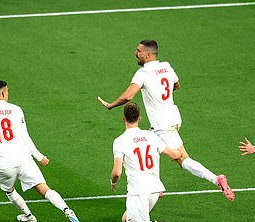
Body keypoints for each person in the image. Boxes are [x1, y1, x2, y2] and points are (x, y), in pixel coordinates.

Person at [98, 39, 234, 202]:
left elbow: (128, 96)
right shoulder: (167, 67)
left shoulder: (144, 73)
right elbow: (176, 85)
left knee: (181, 159)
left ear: (147, 55)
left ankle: (216, 179)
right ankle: (157, 185)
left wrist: (111, 105)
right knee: (149, 141)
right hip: (173, 118)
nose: (136, 53)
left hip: (162, 123)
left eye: (138, 51)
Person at [0, 80, 82, 222]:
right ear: (4, 93)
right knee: (44, 188)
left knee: (9, 191)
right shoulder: (16, 110)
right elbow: (25, 137)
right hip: (23, 158)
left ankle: (29, 216)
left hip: (2, 162)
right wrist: (39, 156)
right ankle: (67, 210)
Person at [111, 102, 181, 222]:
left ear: (123, 118)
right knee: (126, 219)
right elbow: (175, 155)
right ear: (139, 118)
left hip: (138, 192)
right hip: (155, 190)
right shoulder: (151, 136)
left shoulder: (120, 141)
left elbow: (117, 172)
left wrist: (113, 183)